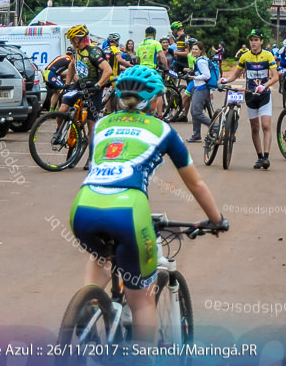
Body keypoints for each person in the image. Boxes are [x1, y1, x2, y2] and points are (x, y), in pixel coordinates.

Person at [70, 65, 227, 345]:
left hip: (83, 206)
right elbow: (196, 184)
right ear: (155, 100)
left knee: (101, 257)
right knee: (142, 301)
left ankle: (86, 313)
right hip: (129, 211)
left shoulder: (103, 124)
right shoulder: (163, 130)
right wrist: (216, 220)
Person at [219, 29, 280, 170]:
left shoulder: (268, 55)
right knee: (255, 127)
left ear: (262, 41)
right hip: (250, 95)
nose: (253, 42)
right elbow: (235, 75)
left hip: (264, 94)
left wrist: (264, 86)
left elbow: (276, 77)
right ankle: (259, 157)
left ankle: (266, 157)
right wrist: (225, 80)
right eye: (251, 40)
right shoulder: (244, 57)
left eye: (256, 40)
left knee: (266, 125)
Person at [58, 25, 112, 168]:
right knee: (63, 107)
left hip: (94, 87)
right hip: (80, 84)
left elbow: (108, 70)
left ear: (78, 38)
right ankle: (59, 132)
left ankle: (91, 157)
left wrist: (98, 86)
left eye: (72, 39)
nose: (70, 42)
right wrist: (67, 84)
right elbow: (71, 66)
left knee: (91, 123)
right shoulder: (77, 52)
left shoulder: (93, 52)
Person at [186, 40, 219, 143]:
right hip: (200, 88)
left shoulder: (200, 61)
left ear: (201, 50)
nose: (194, 51)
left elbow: (207, 75)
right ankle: (196, 135)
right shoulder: (200, 60)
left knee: (196, 112)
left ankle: (217, 128)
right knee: (194, 111)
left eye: (196, 49)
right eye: (193, 49)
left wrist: (194, 77)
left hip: (201, 89)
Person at [136, 27, 166, 117]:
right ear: (154, 34)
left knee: (142, 91)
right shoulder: (156, 43)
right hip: (152, 70)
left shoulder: (140, 44)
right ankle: (160, 115)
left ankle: (142, 111)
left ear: (145, 34)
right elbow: (163, 57)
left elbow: (137, 60)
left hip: (141, 71)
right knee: (158, 92)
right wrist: (167, 68)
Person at [44, 46, 76, 111]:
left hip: (46, 73)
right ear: (73, 55)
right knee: (62, 89)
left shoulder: (62, 57)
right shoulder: (69, 60)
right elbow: (73, 75)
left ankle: (52, 110)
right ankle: (57, 110)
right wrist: (78, 82)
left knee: (57, 92)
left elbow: (59, 72)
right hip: (51, 74)